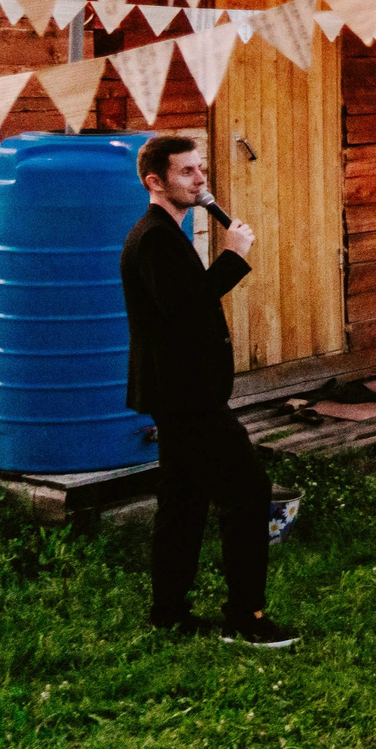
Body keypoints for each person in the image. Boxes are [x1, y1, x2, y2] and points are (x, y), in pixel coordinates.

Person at [119, 135, 294, 646]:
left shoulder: (167, 234)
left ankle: (168, 612)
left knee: (184, 500)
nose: (201, 180)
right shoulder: (153, 237)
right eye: (188, 172)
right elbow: (187, 309)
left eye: (201, 169)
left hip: (179, 393)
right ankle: (247, 618)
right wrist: (234, 257)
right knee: (248, 492)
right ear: (156, 182)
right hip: (186, 396)